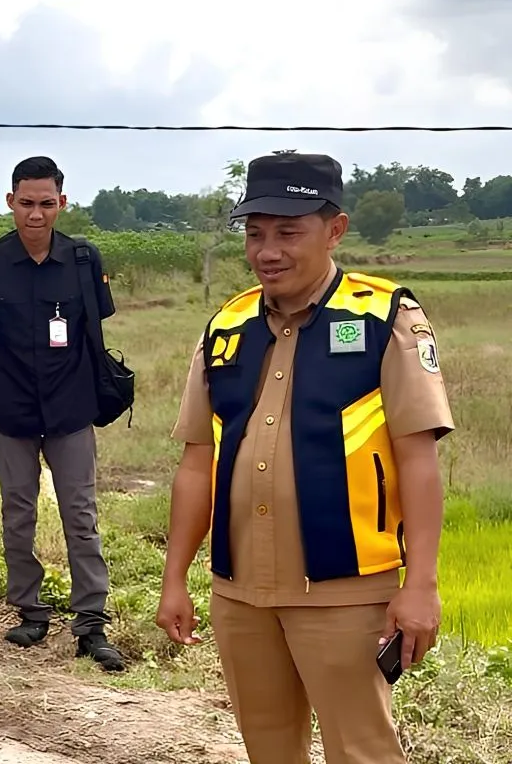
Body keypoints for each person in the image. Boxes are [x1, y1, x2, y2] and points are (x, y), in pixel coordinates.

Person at [156, 152, 453, 764]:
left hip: (347, 591)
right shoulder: (226, 327)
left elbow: (418, 461)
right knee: (267, 748)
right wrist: (175, 579)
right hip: (240, 592)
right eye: (255, 234)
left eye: (288, 233)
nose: (268, 251)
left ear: (334, 230)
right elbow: (196, 463)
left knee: (362, 750)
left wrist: (420, 586)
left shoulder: (384, 319)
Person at [0, 155, 124, 672]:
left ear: (62, 203)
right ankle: (30, 609)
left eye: (47, 204)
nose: (36, 214)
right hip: (11, 411)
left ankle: (91, 622)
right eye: (26, 203)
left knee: (81, 514)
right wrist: (10, 384)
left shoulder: (84, 260)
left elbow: (93, 334)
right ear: (10, 202)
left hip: (71, 409)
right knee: (18, 512)